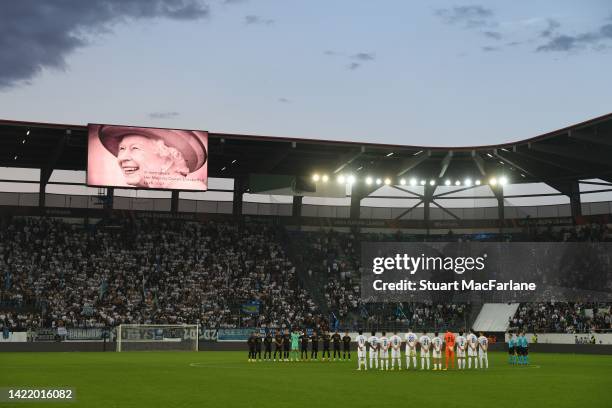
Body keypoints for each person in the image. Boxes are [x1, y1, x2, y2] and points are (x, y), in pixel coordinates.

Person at [97, 125, 208, 190]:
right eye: (122, 149)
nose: (122, 158)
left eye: (135, 148)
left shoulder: (190, 187)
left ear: (167, 159)